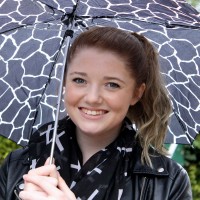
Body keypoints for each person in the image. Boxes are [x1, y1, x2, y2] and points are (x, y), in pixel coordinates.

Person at [0, 26, 192, 200]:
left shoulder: (169, 181)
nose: (92, 98)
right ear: (64, 82)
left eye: (112, 84)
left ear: (136, 93)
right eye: (79, 80)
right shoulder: (17, 166)